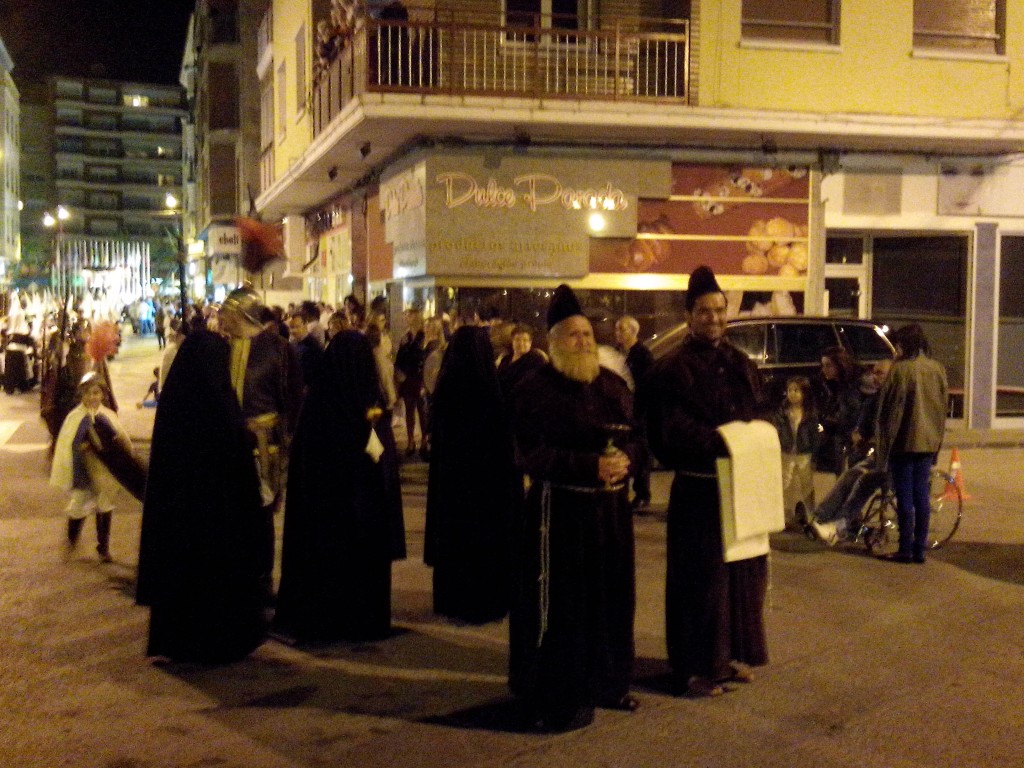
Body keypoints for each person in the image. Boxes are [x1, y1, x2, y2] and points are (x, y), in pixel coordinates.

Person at [508, 284, 641, 732]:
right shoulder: (534, 389)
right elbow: (529, 454)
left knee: (612, 599)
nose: (583, 342)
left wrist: (629, 462)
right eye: (573, 336)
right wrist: (590, 467)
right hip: (559, 517)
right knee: (565, 607)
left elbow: (638, 438)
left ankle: (610, 682)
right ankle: (556, 693)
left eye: (587, 334)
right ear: (553, 343)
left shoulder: (613, 385)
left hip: (611, 516)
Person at [645, 265, 770, 698]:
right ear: (689, 316)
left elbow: (758, 412)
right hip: (698, 490)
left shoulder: (740, 363)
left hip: (741, 486)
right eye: (704, 311)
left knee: (739, 577)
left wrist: (756, 437)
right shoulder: (671, 369)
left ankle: (725, 659)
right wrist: (720, 441)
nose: (713, 318)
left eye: (719, 310)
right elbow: (668, 430)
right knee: (698, 582)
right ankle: (691, 669)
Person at [136, 329, 269, 663]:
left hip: (181, 523)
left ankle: (181, 639)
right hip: (217, 521)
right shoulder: (219, 406)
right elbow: (233, 463)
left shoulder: (176, 406)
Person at [273, 331, 403, 643]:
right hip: (363, 519)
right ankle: (363, 620)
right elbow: (382, 461)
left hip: (324, 520)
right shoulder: (370, 406)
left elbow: (305, 465)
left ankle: (325, 619)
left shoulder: (318, 404)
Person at [424, 326, 517, 624]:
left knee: (456, 541)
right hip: (486, 486)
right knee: (483, 544)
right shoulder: (490, 387)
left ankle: (453, 600)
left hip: (452, 484)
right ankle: (485, 600)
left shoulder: (447, 386)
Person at [218, 287, 303, 600]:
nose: (221, 319)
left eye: (226, 312)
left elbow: (292, 401)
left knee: (261, 514)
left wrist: (286, 443)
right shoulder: (222, 349)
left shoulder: (280, 350)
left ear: (242, 313)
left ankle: (263, 578)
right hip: (230, 444)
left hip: (265, 446)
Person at [874, 324, 948, 564]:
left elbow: (888, 410)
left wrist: (883, 444)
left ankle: (905, 548)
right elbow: (942, 410)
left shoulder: (900, 370)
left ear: (904, 344)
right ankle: (919, 550)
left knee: (905, 496)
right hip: (927, 442)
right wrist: (937, 442)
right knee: (921, 496)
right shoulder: (937, 369)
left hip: (903, 442)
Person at [49, 374, 131, 563]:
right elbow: (68, 444)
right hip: (83, 472)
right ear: (81, 395)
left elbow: (120, 439)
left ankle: (103, 547)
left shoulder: (108, 415)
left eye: (96, 393)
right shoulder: (74, 417)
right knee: (78, 505)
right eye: (87, 393)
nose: (92, 397)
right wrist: (82, 448)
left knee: (105, 505)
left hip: (103, 471)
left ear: (102, 394)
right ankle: (72, 539)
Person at [809, 359, 893, 545]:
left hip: (892, 458)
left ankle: (838, 526)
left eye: (880, 373)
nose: (875, 377)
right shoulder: (876, 396)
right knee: (850, 475)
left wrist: (866, 438)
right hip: (879, 454)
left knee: (862, 480)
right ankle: (820, 517)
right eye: (875, 372)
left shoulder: (891, 399)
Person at [615, 315, 655, 512]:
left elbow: (646, 385)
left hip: (639, 411)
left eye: (621, 329)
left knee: (641, 452)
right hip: (627, 411)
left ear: (632, 331)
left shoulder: (642, 355)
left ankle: (642, 493)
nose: (617, 334)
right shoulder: (623, 354)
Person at [771, 375, 820, 529]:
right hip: (786, 452)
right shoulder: (783, 411)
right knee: (783, 483)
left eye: (796, 390)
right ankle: (782, 514)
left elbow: (814, 435)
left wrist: (814, 455)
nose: (792, 393)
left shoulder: (810, 412)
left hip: (804, 453)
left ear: (804, 393)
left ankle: (811, 515)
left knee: (806, 484)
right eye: (790, 390)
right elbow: (777, 429)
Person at [814, 345, 863, 475]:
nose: (824, 370)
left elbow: (851, 415)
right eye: (823, 365)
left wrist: (831, 421)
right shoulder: (831, 384)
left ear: (839, 365)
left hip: (850, 437)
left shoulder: (851, 386)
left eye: (828, 365)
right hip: (839, 435)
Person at [394, 306, 427, 457]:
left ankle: (424, 441)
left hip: (420, 378)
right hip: (408, 378)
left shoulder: (423, 336)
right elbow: (400, 358)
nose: (406, 317)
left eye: (408, 315)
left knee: (422, 410)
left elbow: (425, 358)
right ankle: (411, 440)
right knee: (409, 411)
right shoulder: (405, 337)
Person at [496, 323, 546, 396]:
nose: (521, 343)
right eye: (517, 340)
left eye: (525, 340)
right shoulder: (506, 359)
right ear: (512, 341)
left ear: (530, 342)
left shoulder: (536, 360)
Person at [287, 310, 324, 393]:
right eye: (291, 327)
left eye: (297, 327)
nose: (293, 331)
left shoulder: (313, 346)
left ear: (305, 324)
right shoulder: (292, 344)